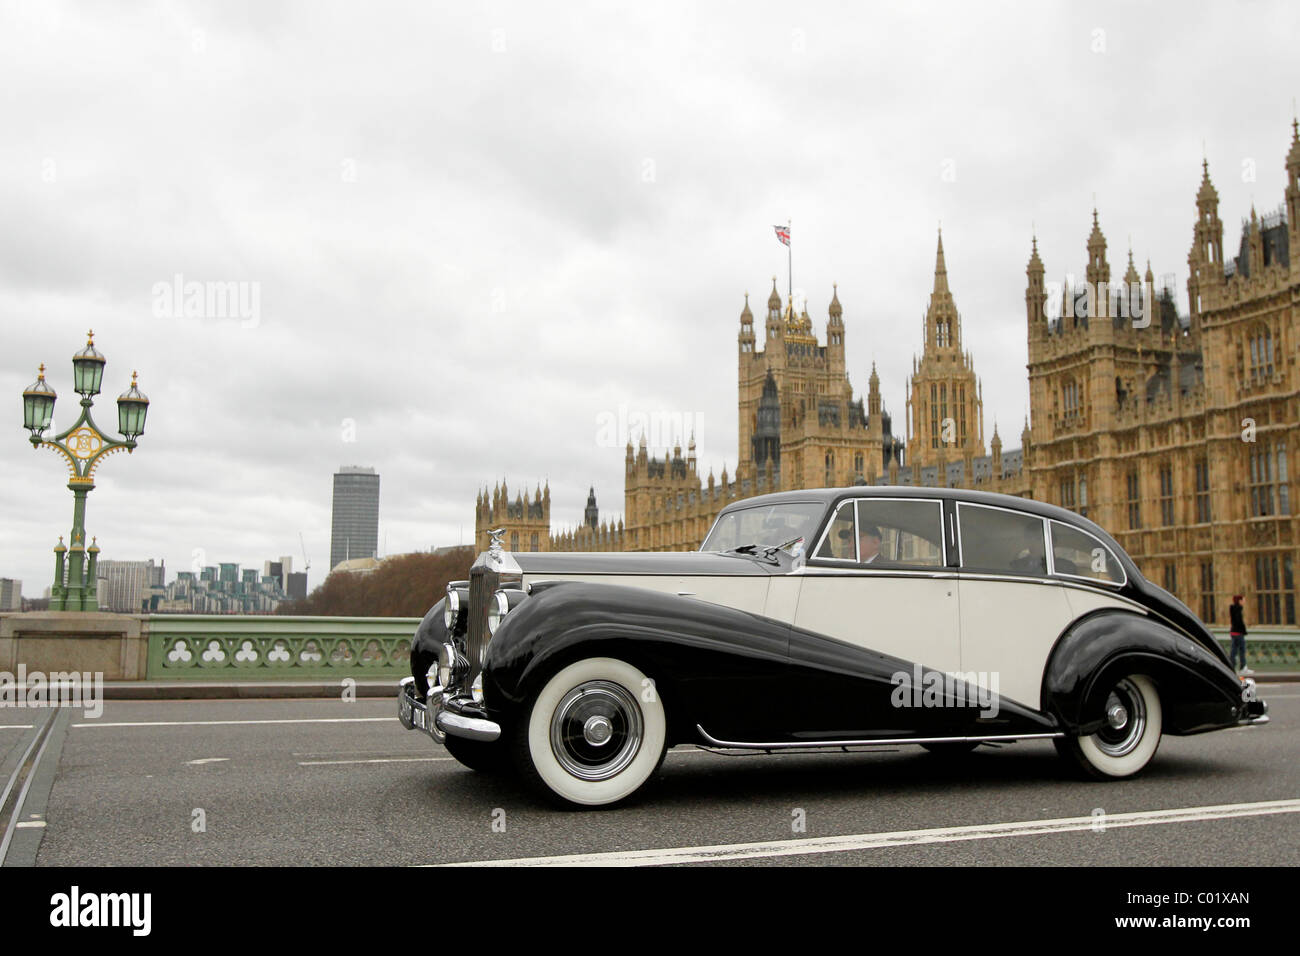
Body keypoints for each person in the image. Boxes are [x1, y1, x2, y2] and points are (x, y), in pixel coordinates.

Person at [1228, 594, 1252, 675]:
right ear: (1240, 601)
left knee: (1233, 651)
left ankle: (1231, 667)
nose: (1244, 602)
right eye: (1243, 600)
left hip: (1233, 632)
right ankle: (1243, 667)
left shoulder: (1232, 608)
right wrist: (1244, 631)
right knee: (1242, 650)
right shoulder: (1238, 609)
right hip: (1238, 633)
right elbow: (1239, 622)